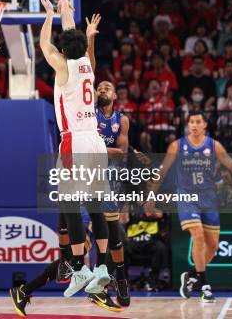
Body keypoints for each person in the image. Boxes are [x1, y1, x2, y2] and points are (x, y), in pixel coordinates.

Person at [37, 0, 108, 298]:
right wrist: (69, 13)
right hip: (95, 141)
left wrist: (50, 15)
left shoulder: (63, 68)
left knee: (68, 206)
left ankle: (79, 269)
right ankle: (102, 268)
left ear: (65, 50)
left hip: (74, 141)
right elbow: (72, 39)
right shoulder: (88, 66)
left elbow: (44, 45)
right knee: (94, 205)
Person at [145, 111, 232, 302]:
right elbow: (162, 171)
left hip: (208, 198)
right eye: (191, 121)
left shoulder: (214, 145)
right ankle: (204, 286)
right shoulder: (177, 146)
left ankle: (191, 275)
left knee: (213, 246)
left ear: (204, 125)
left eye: (197, 121)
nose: (194, 124)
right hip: (186, 195)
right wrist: (151, 195)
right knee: (198, 236)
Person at [88, 81, 130, 309]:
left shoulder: (121, 120)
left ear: (115, 95)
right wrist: (105, 151)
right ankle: (101, 281)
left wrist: (98, 150)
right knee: (89, 235)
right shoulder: (88, 114)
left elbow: (121, 155)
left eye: (107, 88)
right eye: (100, 88)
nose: (102, 90)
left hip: (109, 180)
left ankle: (119, 280)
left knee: (114, 235)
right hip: (85, 176)